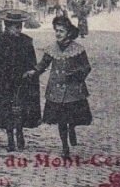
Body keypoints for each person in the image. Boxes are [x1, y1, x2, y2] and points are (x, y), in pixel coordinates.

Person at [26, 15, 92, 160]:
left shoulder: (78, 49)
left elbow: (86, 67)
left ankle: (72, 128)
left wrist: (76, 76)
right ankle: (65, 147)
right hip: (56, 90)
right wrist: (34, 72)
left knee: (72, 117)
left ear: (68, 32)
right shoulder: (51, 49)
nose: (58, 34)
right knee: (61, 120)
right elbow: (43, 64)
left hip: (73, 90)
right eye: (56, 30)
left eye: (61, 31)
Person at [0, 10, 41, 152]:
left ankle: (20, 133)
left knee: (20, 110)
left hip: (22, 81)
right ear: (7, 26)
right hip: (3, 82)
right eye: (16, 27)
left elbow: (32, 62)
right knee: (7, 111)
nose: (19, 30)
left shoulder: (26, 41)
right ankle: (10, 138)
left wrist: (30, 73)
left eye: (20, 26)